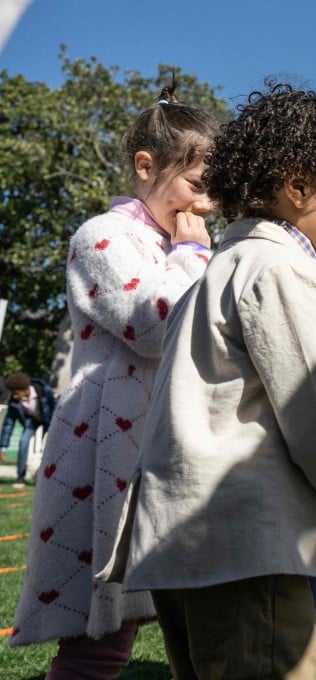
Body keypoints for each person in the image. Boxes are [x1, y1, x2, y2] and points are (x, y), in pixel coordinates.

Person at [98, 83, 316, 679]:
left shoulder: (214, 276)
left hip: (186, 550)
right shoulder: (282, 270)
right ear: (298, 187)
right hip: (246, 554)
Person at [9, 79, 217, 677]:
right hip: (105, 450)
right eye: (196, 186)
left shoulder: (176, 241)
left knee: (185, 618)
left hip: (161, 441)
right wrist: (195, 257)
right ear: (145, 165)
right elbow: (152, 323)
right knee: (100, 636)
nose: (205, 205)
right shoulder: (101, 237)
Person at [0, 372, 57, 488]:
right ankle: (20, 477)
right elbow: (8, 424)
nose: (14, 396)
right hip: (31, 422)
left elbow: (55, 407)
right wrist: (3, 446)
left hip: (49, 421)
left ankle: (50, 476)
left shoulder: (44, 390)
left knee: (50, 446)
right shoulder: (14, 402)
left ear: (25, 389)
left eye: (16, 393)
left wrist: (54, 427)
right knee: (23, 442)